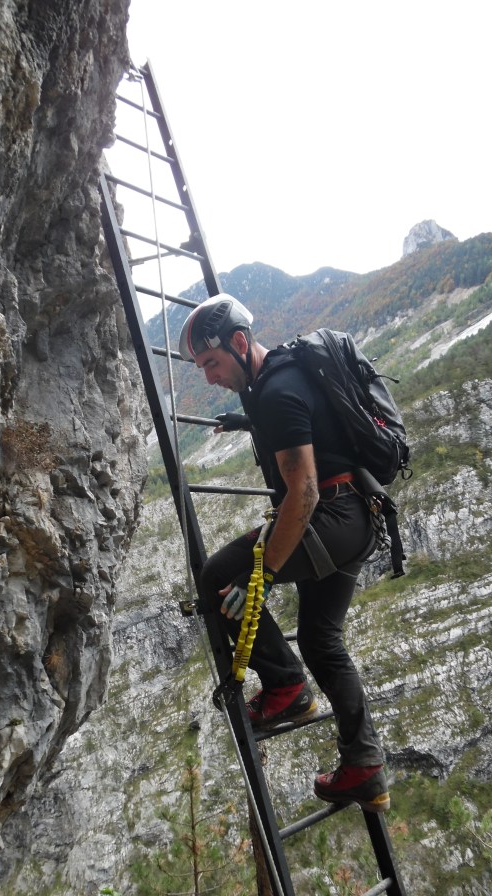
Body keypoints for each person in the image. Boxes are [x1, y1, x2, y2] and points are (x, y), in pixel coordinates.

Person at [179, 294, 389, 813]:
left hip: (329, 515)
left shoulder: (274, 392)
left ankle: (284, 687)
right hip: (361, 517)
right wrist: (250, 423)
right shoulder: (284, 377)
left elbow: (304, 493)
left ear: (240, 343)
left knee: (219, 575)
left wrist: (263, 575)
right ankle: (365, 768)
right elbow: (312, 426)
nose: (207, 377)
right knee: (321, 639)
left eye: (211, 362)